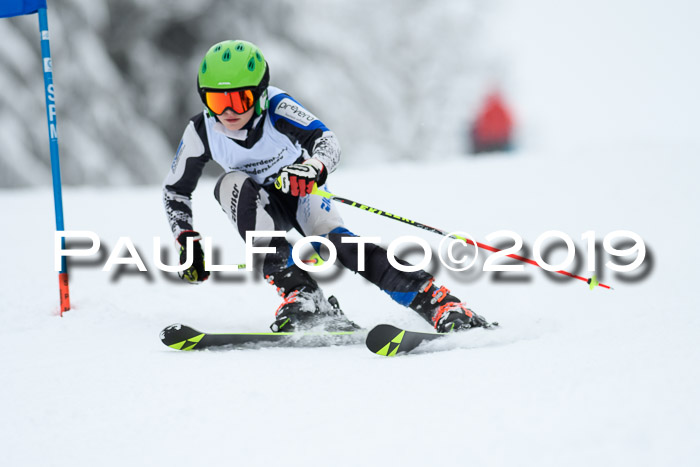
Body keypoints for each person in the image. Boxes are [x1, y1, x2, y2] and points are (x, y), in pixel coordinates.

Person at [163, 39, 490, 333]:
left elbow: (327, 140)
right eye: (218, 102)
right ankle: (304, 297)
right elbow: (175, 190)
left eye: (240, 98)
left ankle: (439, 303)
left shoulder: (277, 106)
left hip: (300, 193)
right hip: (257, 205)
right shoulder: (202, 130)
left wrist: (312, 168)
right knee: (230, 185)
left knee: (339, 245)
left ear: (260, 93)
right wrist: (186, 241)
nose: (230, 111)